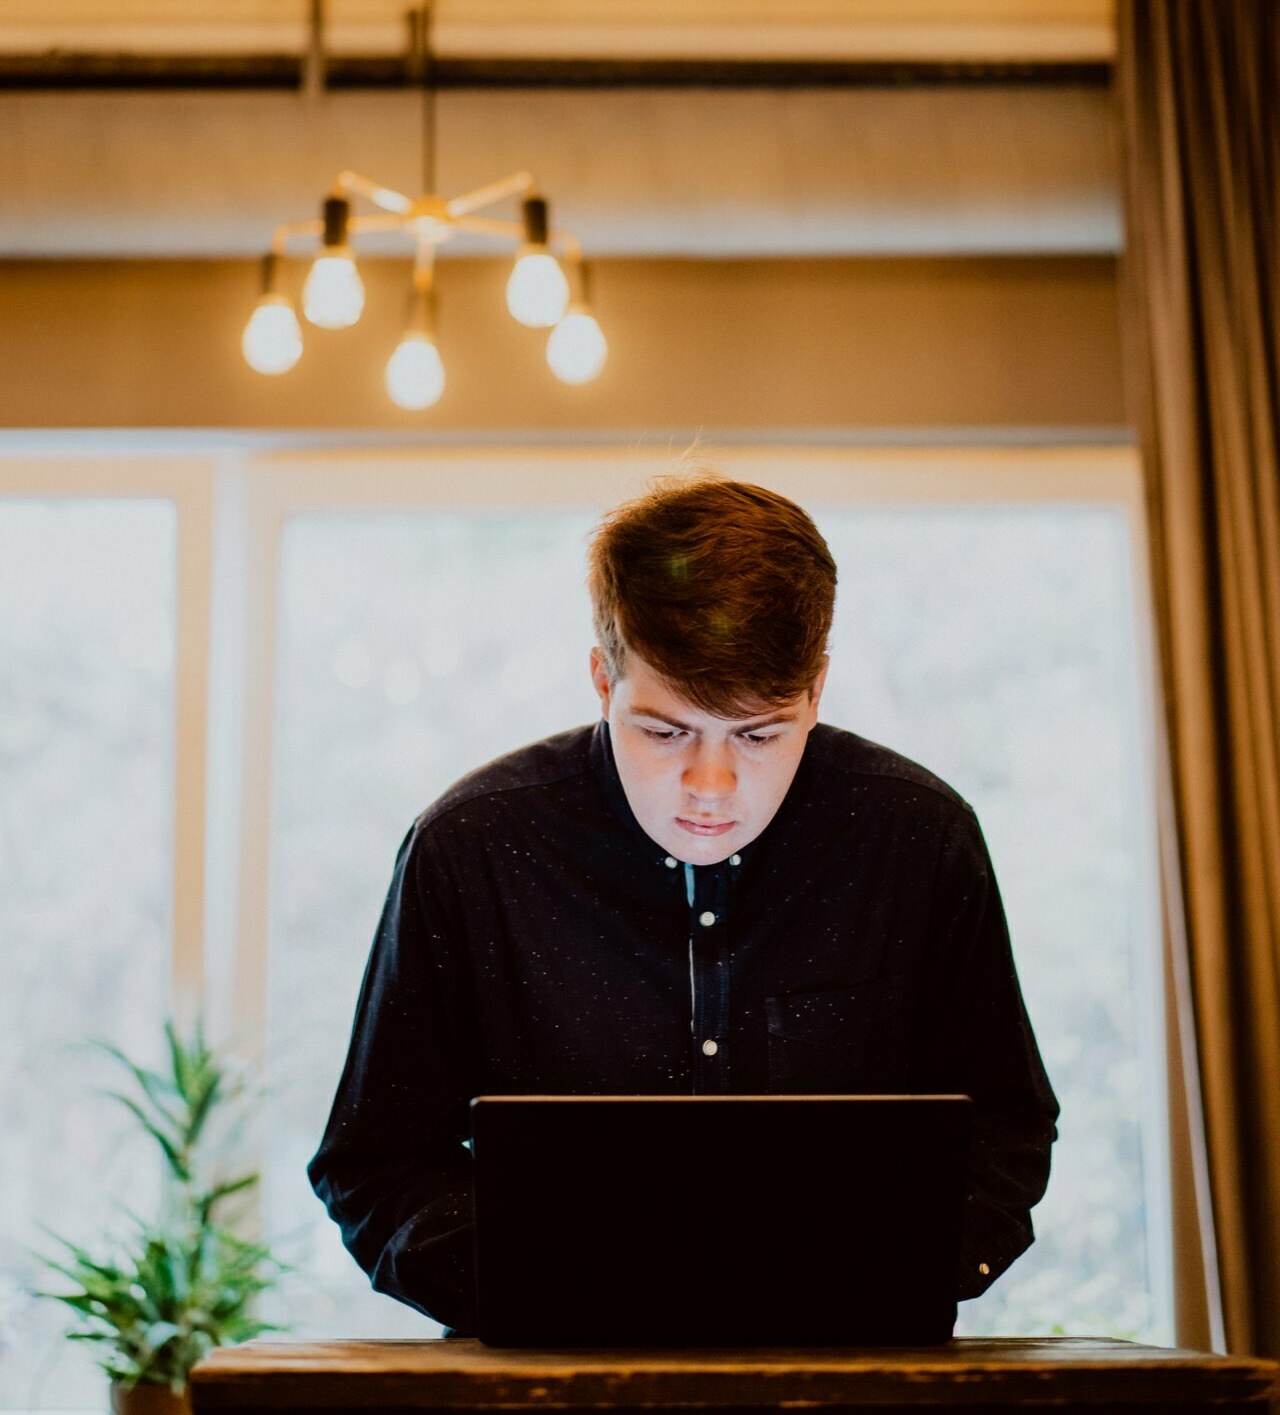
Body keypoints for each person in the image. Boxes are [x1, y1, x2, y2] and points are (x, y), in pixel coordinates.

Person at [308, 473, 1060, 1335]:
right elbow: (374, 1163)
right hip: (549, 1387)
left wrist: (881, 1274)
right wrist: (552, 1288)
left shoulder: (922, 841)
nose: (712, 787)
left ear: (815, 690)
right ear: (602, 680)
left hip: (857, 1380)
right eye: (665, 732)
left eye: (760, 734)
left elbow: (1005, 1129)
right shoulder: (467, 850)